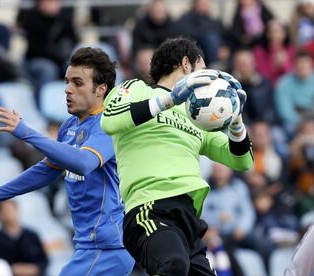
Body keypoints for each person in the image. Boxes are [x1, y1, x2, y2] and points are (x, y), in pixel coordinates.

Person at [0, 47, 135, 275]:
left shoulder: (110, 124)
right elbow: (43, 172)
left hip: (108, 248)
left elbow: (84, 162)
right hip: (88, 246)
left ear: (100, 90)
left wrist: (26, 132)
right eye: (67, 81)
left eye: (77, 83)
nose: (68, 89)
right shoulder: (70, 127)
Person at [100, 37, 253, 275]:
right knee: (173, 265)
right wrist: (170, 99)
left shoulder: (196, 115)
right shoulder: (136, 89)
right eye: (202, 71)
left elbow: (242, 160)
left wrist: (236, 120)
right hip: (149, 208)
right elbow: (110, 120)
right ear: (185, 64)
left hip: (188, 221)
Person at [0, 200, 48, 276]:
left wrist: (35, 269)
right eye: (5, 210)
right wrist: (11, 269)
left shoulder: (32, 235)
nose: (9, 213)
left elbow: (44, 260)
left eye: (10, 209)